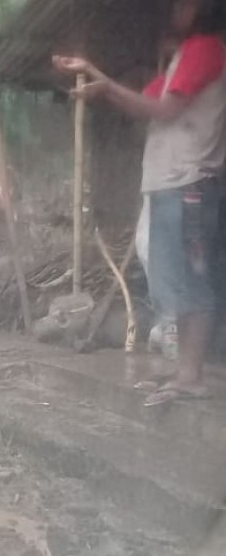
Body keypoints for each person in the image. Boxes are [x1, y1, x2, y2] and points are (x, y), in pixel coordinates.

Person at [53, 0, 226, 406]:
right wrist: (96, 76)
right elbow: (144, 103)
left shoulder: (205, 48)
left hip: (188, 182)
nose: (174, 10)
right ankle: (186, 371)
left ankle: (191, 376)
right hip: (173, 184)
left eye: (182, 4)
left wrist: (105, 86)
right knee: (177, 280)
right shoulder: (187, 56)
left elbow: (164, 110)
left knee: (190, 281)